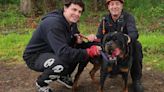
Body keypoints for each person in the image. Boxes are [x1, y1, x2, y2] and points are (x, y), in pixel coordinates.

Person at [22, 0, 101, 92]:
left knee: (77, 50)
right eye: (74, 9)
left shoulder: (71, 23)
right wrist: (89, 51)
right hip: (35, 56)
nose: (77, 14)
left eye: (79, 11)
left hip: (53, 51)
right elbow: (64, 52)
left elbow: (73, 37)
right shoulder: (54, 24)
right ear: (65, 8)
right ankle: (41, 84)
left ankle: (63, 76)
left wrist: (78, 40)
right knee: (61, 63)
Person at [87, 0, 144, 92]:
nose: (114, 7)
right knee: (96, 46)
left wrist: (126, 39)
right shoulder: (104, 19)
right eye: (112, 4)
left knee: (137, 45)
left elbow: (134, 33)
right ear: (108, 7)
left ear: (122, 5)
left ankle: (136, 79)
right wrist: (93, 37)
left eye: (117, 4)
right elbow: (99, 36)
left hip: (125, 46)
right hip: (109, 47)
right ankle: (108, 70)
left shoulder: (128, 17)